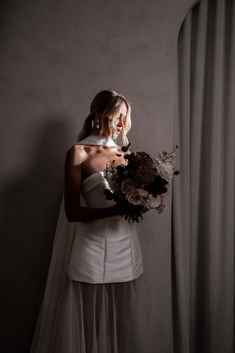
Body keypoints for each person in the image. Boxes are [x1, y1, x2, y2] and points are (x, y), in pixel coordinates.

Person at [30, 90, 165, 353]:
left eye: (125, 117)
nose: (121, 123)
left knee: (122, 328)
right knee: (88, 328)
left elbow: (135, 206)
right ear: (100, 113)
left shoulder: (129, 156)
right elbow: (72, 213)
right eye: (117, 115)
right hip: (90, 246)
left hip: (125, 246)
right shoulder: (78, 153)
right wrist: (116, 210)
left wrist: (149, 202)